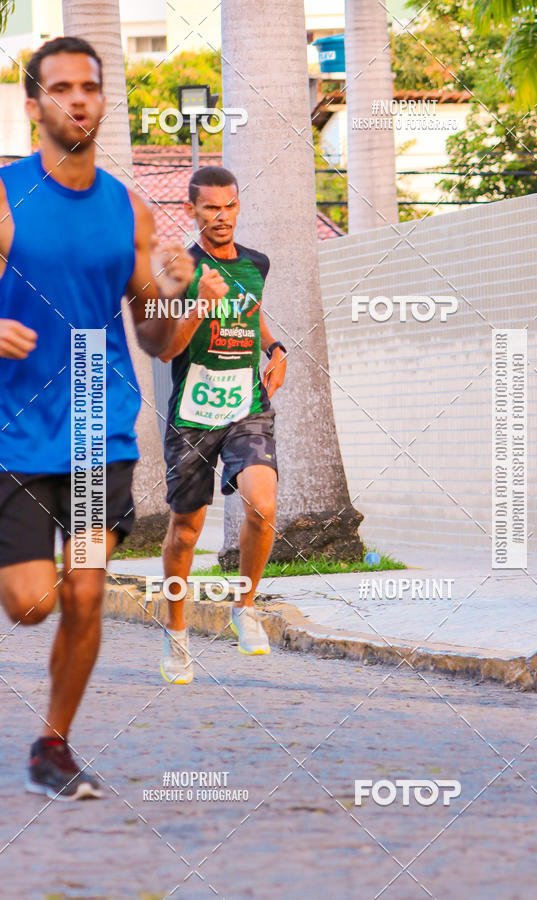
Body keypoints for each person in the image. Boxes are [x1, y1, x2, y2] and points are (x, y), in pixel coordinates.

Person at [0, 37, 194, 799]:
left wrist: (178, 297)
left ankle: (55, 745)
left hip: (95, 425)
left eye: (90, 87)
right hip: (13, 434)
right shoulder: (7, 198)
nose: (78, 100)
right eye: (61, 88)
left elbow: (155, 336)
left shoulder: (131, 209)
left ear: (103, 100)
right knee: (30, 603)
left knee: (83, 589)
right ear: (34, 105)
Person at [159, 165, 287, 682]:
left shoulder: (256, 263)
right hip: (192, 413)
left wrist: (274, 347)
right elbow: (166, 347)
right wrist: (199, 307)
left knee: (263, 503)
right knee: (186, 532)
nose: (221, 216)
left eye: (230, 205)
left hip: (245, 405)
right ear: (192, 210)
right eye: (210, 207)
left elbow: (251, 313)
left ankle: (244, 606)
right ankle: (176, 633)